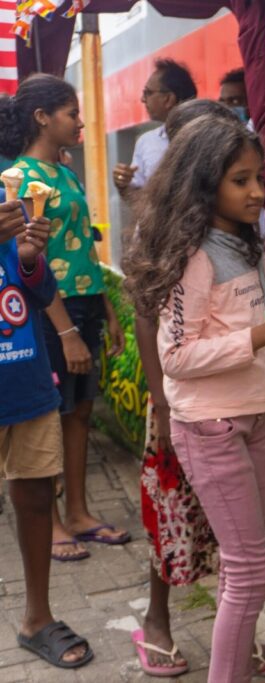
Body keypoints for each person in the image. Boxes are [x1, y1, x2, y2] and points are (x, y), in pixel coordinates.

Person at [124, 116, 265, 682]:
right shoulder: (193, 256)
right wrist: (260, 336)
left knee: (248, 569)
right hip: (211, 426)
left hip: (258, 417)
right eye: (241, 180)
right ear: (203, 181)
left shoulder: (244, 244)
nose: (257, 192)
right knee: (251, 572)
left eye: (259, 178)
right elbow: (176, 359)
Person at [0, 75, 131, 560]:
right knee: (51, 415)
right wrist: (68, 333)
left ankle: (78, 512)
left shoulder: (66, 174)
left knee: (79, 413)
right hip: (47, 313)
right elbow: (31, 263)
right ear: (42, 117)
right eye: (72, 113)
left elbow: (81, 250)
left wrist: (106, 310)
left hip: (82, 307)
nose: (79, 122)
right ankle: (52, 522)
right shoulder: (21, 180)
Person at [0, 188, 92, 669]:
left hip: (24, 376)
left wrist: (31, 259)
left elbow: (39, 293)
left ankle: (37, 618)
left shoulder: (9, 199)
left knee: (36, 497)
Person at [112, 59, 197, 198]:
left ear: (168, 99)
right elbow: (138, 201)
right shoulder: (146, 142)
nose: (143, 99)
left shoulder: (208, 135)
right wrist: (123, 185)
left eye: (148, 93)